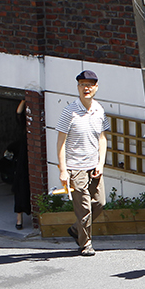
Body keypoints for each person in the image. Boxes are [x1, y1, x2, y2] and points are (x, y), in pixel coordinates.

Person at [54, 69, 109, 256]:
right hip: (75, 168)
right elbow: (60, 142)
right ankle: (85, 244)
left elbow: (102, 139)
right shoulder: (69, 111)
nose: (86, 88)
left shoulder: (100, 110)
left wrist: (100, 164)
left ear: (96, 88)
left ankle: (77, 229)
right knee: (84, 208)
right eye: (82, 84)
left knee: (100, 203)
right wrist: (63, 170)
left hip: (94, 166)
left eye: (90, 85)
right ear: (78, 87)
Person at [10, 98, 31, 230]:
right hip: (23, 163)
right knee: (21, 188)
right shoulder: (25, 130)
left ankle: (21, 219)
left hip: (29, 162)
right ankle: (19, 219)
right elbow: (18, 114)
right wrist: (24, 101)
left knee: (26, 189)